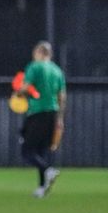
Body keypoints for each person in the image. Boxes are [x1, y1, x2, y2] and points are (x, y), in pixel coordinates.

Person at [17, 41, 67, 198]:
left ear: (38, 52)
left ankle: (48, 170)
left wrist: (19, 92)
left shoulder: (35, 66)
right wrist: (60, 118)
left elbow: (25, 88)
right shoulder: (57, 71)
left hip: (37, 111)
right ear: (50, 54)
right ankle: (41, 187)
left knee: (27, 151)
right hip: (53, 112)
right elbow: (62, 97)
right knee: (40, 150)